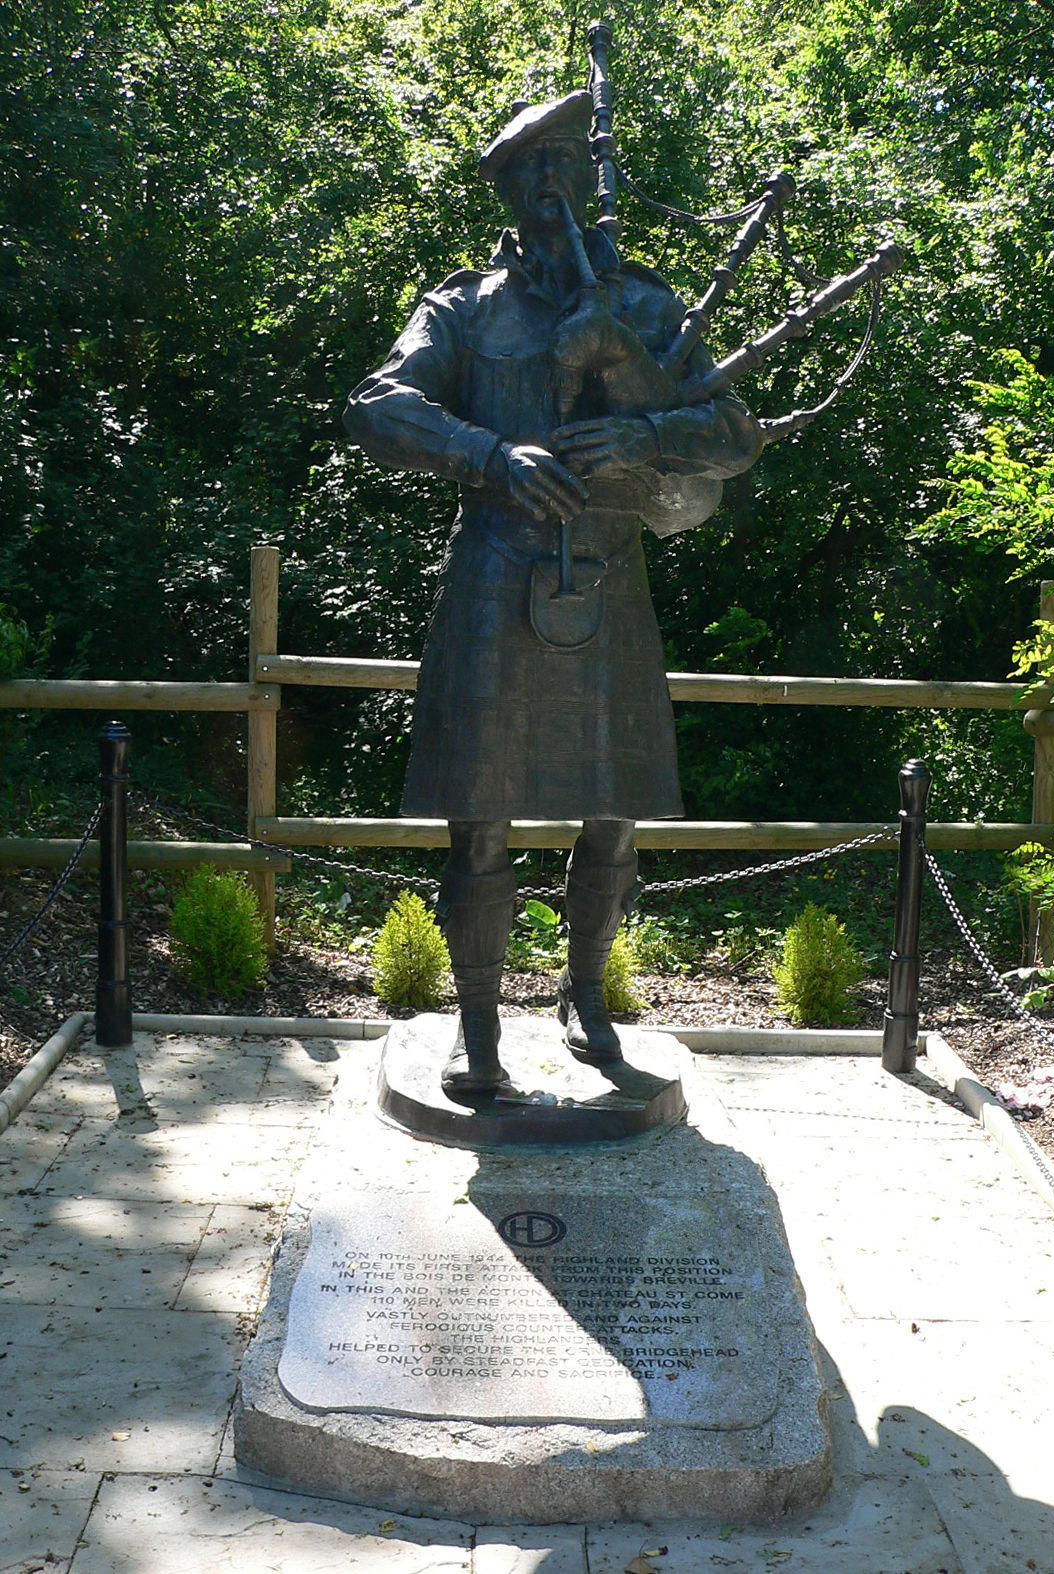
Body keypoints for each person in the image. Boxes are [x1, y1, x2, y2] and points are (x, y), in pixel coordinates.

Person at [344, 90, 760, 1095]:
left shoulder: (650, 309)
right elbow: (373, 405)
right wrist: (487, 452)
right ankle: (477, 1027)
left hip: (611, 575)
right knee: (480, 813)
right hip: (497, 569)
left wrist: (650, 430)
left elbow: (737, 433)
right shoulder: (467, 305)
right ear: (500, 188)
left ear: (590, 172)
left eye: (563, 159)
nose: (547, 184)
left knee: (613, 808)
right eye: (524, 167)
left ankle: (586, 996)